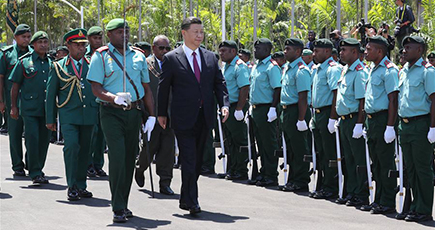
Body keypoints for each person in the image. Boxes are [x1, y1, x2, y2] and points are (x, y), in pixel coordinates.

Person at [157, 17, 229, 215]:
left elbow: (219, 84)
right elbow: (163, 89)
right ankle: (193, 201)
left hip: (204, 116)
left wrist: (224, 105)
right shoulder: (172, 58)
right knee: (188, 158)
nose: (199, 35)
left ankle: (185, 197)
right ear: (184, 33)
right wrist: (161, 113)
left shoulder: (210, 57)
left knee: (196, 161)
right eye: (195, 31)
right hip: (182, 117)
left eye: (201, 32)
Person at [87, 18, 156, 223]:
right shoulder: (101, 56)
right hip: (111, 112)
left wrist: (151, 115)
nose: (124, 35)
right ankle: (117, 206)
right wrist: (113, 97)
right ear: (109, 35)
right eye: (119, 32)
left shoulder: (138, 56)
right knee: (117, 157)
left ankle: (123, 203)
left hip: (133, 113)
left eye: (126, 31)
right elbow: (96, 87)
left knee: (128, 158)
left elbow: (146, 89)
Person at [46, 28, 97, 200]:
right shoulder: (59, 67)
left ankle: (81, 185)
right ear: (68, 45)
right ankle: (72, 185)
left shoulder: (92, 64)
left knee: (85, 151)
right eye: (77, 45)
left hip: (89, 114)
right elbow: (50, 94)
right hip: (69, 115)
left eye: (84, 45)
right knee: (72, 147)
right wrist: (50, 119)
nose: (82, 48)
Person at [398, 36, 434, 222]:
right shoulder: (404, 71)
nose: (404, 50)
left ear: (419, 50)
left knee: (422, 168)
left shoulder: (428, 72)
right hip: (405, 124)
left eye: (408, 47)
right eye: (404, 47)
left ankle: (424, 209)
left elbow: (434, 100)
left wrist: (433, 128)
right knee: (410, 168)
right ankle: (414, 206)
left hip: (421, 124)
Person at [9, 31, 52, 185]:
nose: (43, 45)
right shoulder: (24, 62)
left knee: (44, 141)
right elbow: (15, 86)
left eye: (45, 42)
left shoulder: (52, 63)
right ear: (33, 45)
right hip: (30, 109)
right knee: (32, 139)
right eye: (40, 42)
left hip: (48, 109)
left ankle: (37, 166)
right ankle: (35, 172)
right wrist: (14, 106)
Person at [135, 34, 175, 195]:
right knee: (149, 147)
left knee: (167, 150)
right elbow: (141, 90)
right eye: (161, 48)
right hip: (151, 113)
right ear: (153, 48)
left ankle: (165, 182)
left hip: (170, 114)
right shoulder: (146, 65)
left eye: (167, 48)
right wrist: (144, 113)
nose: (165, 51)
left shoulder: (173, 64)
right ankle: (140, 167)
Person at [362, 36, 399, 214]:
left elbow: (393, 100)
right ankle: (378, 199)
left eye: (369, 49)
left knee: (385, 162)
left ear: (380, 51)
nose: (366, 52)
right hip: (372, 120)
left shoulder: (389, 71)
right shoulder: (372, 69)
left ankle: (388, 201)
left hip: (383, 119)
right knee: (376, 162)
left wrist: (390, 126)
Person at [335, 38, 369, 207]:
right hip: (344, 120)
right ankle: (352, 191)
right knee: (348, 158)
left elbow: (362, 100)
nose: (341, 53)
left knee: (358, 159)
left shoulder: (360, 71)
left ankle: (362, 194)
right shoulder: (345, 70)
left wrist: (359, 123)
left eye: (344, 50)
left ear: (354, 52)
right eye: (341, 50)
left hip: (355, 119)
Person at [310, 39, 341, 200]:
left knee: (329, 153)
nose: (314, 54)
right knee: (320, 152)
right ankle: (323, 184)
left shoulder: (332, 69)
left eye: (317, 51)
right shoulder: (318, 69)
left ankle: (331, 186)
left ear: (328, 52)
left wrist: (332, 118)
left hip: (328, 113)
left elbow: (336, 94)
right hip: (318, 113)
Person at [248, 38, 281, 187]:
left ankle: (271, 174)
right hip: (256, 108)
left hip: (267, 108)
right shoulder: (256, 67)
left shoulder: (271, 67)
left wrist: (273, 108)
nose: (255, 51)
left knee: (269, 143)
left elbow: (277, 88)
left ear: (267, 50)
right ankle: (263, 171)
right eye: (255, 49)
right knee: (260, 143)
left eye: (259, 49)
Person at [280, 38, 311, 192]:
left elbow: (303, 97)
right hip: (286, 111)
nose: (285, 52)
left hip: (296, 111)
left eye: (288, 49)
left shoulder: (301, 70)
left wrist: (301, 118)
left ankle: (301, 180)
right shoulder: (287, 68)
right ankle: (292, 178)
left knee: (299, 148)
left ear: (298, 52)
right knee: (290, 148)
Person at [0, 24, 31, 177]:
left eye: (28, 37)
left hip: (31, 101)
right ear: (16, 38)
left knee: (32, 134)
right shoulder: (6, 55)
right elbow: (0, 79)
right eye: (23, 37)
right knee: (15, 134)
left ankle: (31, 163)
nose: (26, 40)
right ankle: (17, 165)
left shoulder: (34, 54)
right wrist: (1, 101)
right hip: (12, 101)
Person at [218, 40, 250, 180]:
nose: (221, 54)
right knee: (229, 140)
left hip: (236, 106)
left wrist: (239, 109)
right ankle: (232, 168)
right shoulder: (226, 66)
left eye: (224, 51)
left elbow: (244, 88)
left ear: (233, 51)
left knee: (239, 140)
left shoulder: (239, 66)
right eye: (220, 51)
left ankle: (241, 170)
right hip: (227, 107)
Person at [85, 25, 107, 178]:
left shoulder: (106, 54)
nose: (98, 41)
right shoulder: (84, 55)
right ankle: (88, 164)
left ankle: (98, 164)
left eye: (100, 38)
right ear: (89, 39)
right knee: (91, 135)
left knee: (102, 135)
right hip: (89, 99)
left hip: (104, 99)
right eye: (95, 38)